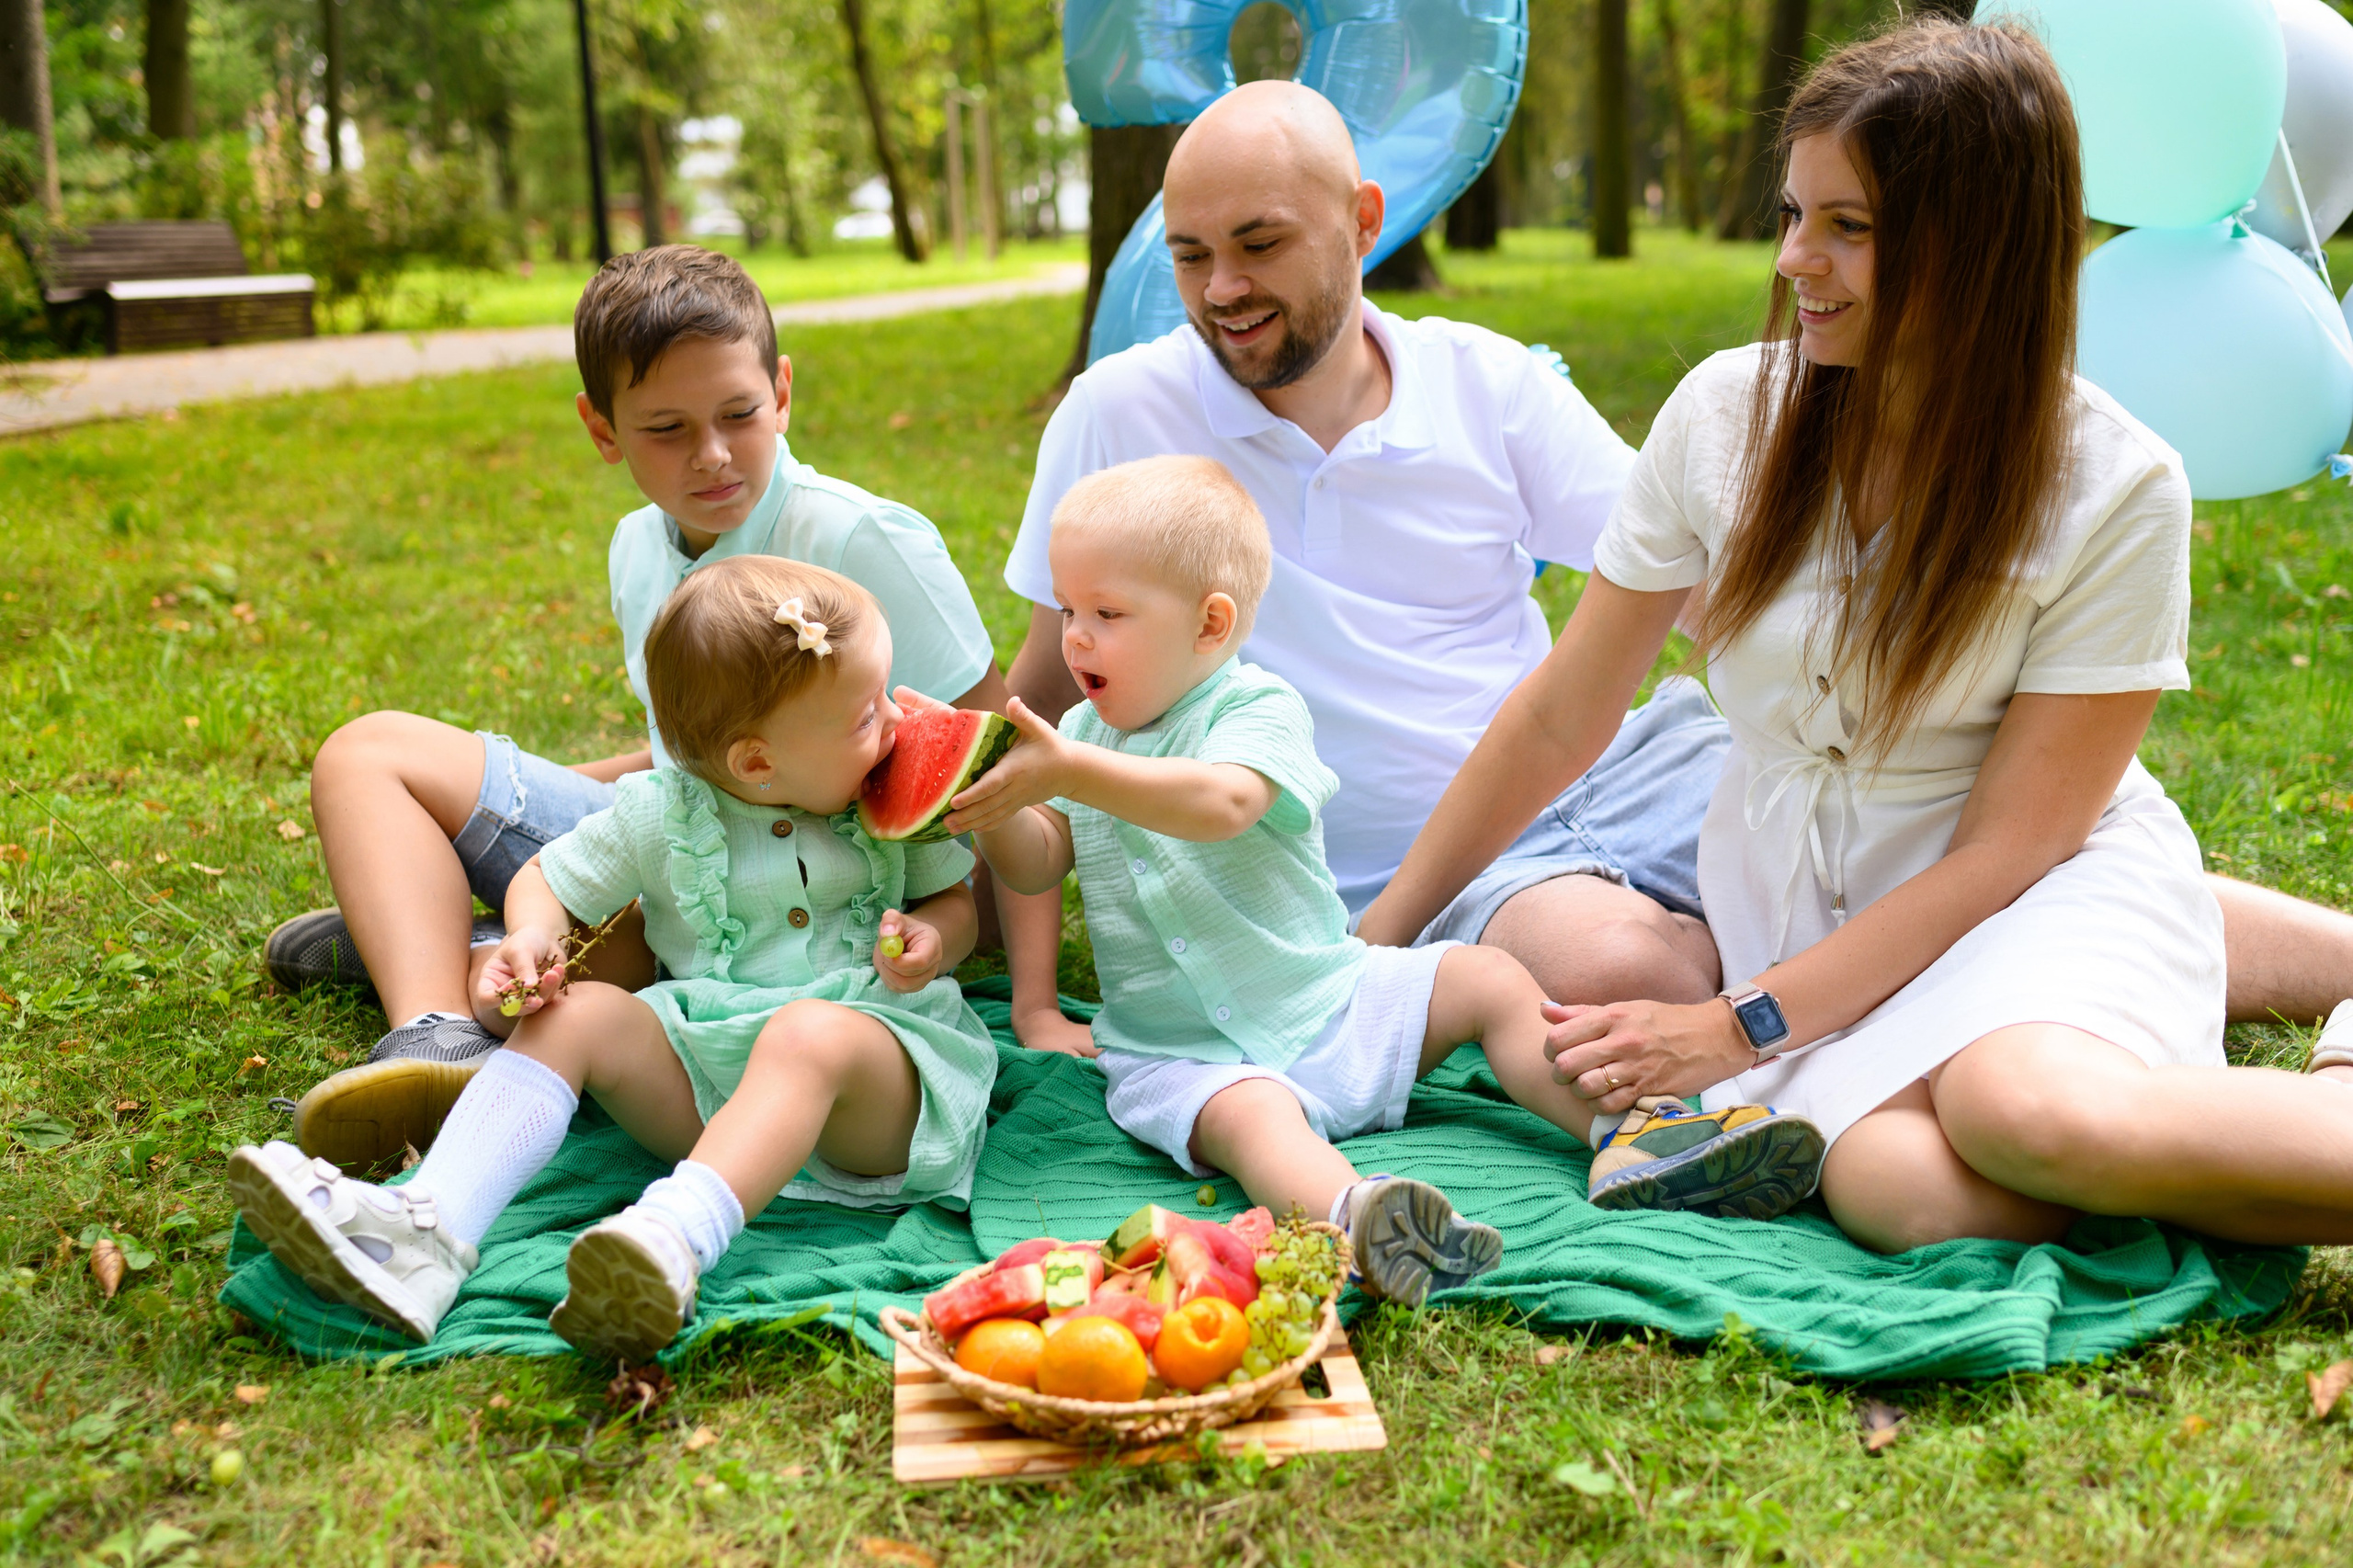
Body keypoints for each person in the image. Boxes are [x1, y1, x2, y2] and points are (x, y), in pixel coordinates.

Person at [1360, 18, 2353, 1252]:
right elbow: (1565, 710)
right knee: (1893, 1189)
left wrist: (1744, 1026)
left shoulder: (2115, 484)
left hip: (2032, 894)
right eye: (1793, 215)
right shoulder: (1723, 417)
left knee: (2019, 1105)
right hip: (1819, 924)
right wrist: (1379, 935)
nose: (1794, 261)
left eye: (1849, 227)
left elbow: (2010, 848)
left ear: (1978, 244)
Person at [269, 244, 1074, 1172]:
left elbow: (998, 762)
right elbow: (696, 757)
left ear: (780, 389)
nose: (713, 454)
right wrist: (554, 800)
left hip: (801, 915)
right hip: (678, 838)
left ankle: (433, 931)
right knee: (367, 752)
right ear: (601, 428)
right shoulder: (634, 548)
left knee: (524, 972)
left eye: (738, 413)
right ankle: (433, 1035)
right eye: (665, 428)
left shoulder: (860, 538)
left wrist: (1028, 998)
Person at [955, 455, 1821, 1288]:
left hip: (1330, 1001)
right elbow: (1038, 861)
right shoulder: (1089, 742)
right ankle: (1360, 1218)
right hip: (1184, 1057)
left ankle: (1633, 1134)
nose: (1073, 637)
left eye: (1105, 613)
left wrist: (1067, 772)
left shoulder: (1257, 709)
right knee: (1254, 1122)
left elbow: (1221, 805)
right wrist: (991, 814)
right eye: (1067, 610)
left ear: (1209, 623)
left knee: (1486, 979)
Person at [230, 558, 1001, 1359]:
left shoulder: (886, 801)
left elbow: (954, 901)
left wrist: (939, 938)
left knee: (809, 1035)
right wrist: (531, 936)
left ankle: (673, 1240)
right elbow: (544, 878)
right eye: (863, 716)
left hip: (880, 1100)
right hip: (710, 1084)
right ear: (757, 763)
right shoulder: (658, 813)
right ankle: (429, 1227)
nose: (894, 721)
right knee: (580, 1013)